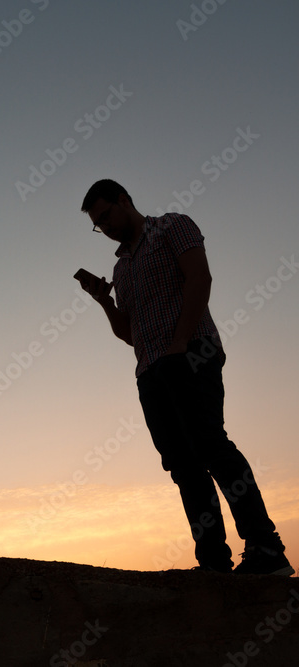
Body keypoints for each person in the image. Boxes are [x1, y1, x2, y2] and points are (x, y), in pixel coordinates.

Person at [77, 179, 292, 575]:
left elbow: (200, 279)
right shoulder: (121, 268)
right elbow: (131, 332)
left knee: (211, 445)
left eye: (106, 215)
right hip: (150, 370)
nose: (104, 227)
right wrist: (105, 303)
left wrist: (179, 344)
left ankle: (266, 549)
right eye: (97, 224)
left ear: (125, 200)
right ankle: (213, 562)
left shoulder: (173, 227)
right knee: (182, 465)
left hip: (193, 352)